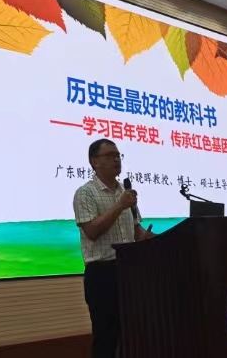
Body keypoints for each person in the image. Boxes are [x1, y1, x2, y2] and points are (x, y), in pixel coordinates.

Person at [73, 138, 154, 358]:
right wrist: (120, 205)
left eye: (118, 155)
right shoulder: (85, 193)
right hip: (102, 274)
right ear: (94, 161)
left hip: (129, 273)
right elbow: (91, 231)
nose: (116, 159)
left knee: (131, 334)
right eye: (110, 155)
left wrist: (150, 237)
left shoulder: (126, 193)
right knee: (106, 337)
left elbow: (136, 232)